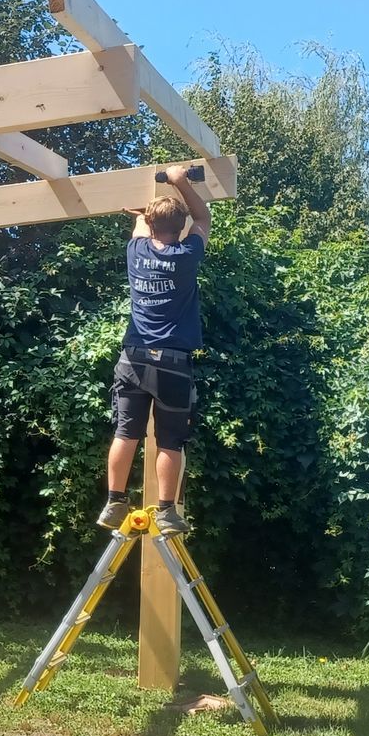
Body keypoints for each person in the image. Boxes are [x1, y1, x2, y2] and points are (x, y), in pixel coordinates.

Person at [98, 165, 210, 536]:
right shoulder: (188, 255)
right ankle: (166, 511)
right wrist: (180, 180)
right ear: (180, 229)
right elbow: (203, 216)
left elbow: (143, 226)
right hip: (173, 363)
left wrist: (149, 206)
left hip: (133, 359)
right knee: (170, 439)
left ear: (148, 223)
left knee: (126, 433)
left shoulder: (136, 250)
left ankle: (114, 501)